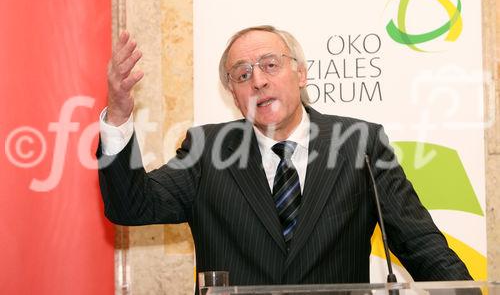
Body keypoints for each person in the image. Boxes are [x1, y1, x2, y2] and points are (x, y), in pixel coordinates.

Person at [98, 25, 472, 286]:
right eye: (242, 75)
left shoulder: (360, 143)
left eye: (270, 65)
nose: (258, 80)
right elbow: (131, 205)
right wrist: (117, 114)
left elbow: (422, 245)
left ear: (301, 74)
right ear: (233, 94)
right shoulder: (206, 150)